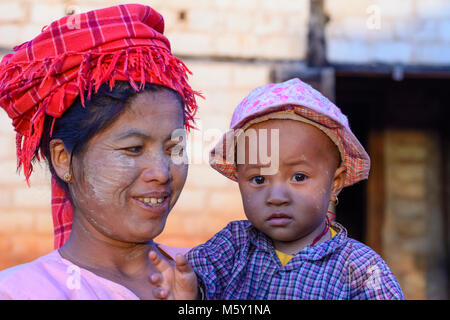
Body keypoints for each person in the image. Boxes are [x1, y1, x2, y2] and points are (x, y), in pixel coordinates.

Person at [0, 4, 201, 299]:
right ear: (63, 159)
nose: (161, 172)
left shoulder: (216, 273)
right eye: (133, 148)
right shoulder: (21, 292)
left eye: (174, 148)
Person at [149, 78, 404, 300]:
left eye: (299, 176)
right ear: (239, 180)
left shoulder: (360, 269)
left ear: (335, 183)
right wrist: (191, 293)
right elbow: (197, 283)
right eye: (259, 180)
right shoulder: (233, 246)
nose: (277, 197)